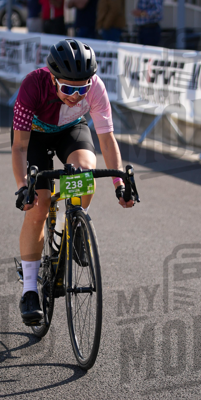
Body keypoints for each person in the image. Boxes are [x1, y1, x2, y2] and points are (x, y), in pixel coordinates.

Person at [12, 38, 134, 325]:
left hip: (71, 131)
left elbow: (106, 139)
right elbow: (19, 147)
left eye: (82, 89)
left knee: (84, 171)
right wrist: (22, 188)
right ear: (53, 78)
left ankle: (75, 225)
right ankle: (30, 288)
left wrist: (119, 184)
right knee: (39, 205)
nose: (76, 96)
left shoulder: (96, 89)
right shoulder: (32, 85)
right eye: (68, 89)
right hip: (35, 139)